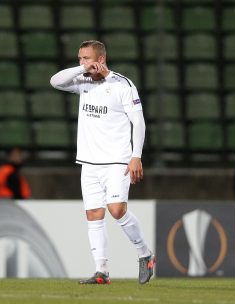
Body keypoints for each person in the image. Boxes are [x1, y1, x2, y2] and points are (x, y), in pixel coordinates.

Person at [50, 40, 155, 285]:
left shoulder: (122, 85)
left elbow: (138, 123)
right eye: (79, 58)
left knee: (116, 210)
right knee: (94, 215)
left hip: (117, 160)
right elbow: (55, 81)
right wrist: (82, 70)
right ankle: (102, 271)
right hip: (89, 162)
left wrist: (136, 156)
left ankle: (145, 254)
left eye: (86, 58)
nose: (82, 63)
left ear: (101, 60)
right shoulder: (83, 81)